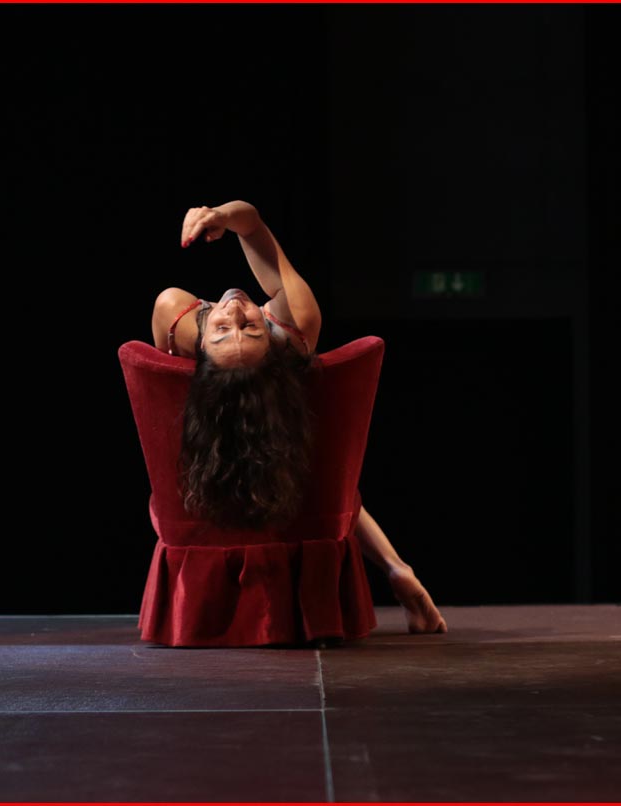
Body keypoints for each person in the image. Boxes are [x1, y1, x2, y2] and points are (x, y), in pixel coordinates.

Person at [151, 200, 447, 635]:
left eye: (229, 328)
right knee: (326, 478)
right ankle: (397, 568)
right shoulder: (297, 325)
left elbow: (250, 224)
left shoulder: (174, 314)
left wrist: (223, 216)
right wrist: (230, 218)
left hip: (253, 446)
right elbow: (254, 228)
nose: (235, 312)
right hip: (272, 456)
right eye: (243, 327)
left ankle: (397, 568)